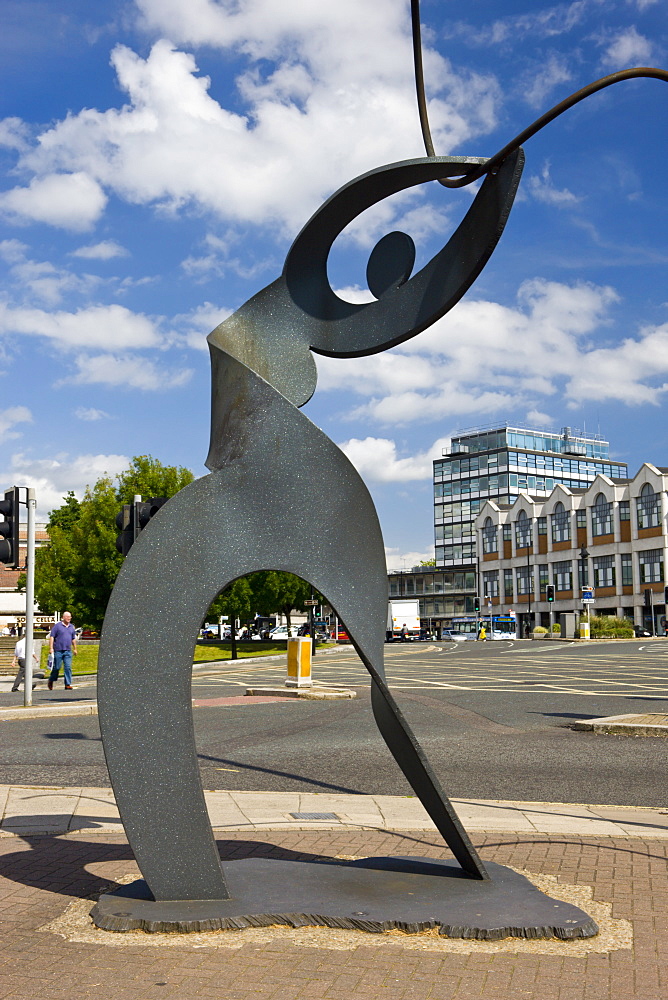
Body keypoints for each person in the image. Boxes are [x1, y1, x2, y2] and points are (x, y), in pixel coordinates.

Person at [48, 611, 77, 690]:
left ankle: (67, 684)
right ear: (63, 617)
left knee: (68, 667)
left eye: (70, 617)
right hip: (58, 650)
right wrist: (51, 648)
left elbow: (73, 638)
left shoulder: (71, 627)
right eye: (67, 617)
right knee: (57, 667)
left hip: (67, 651)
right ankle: (51, 679)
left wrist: (75, 649)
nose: (69, 618)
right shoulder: (57, 626)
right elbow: (52, 637)